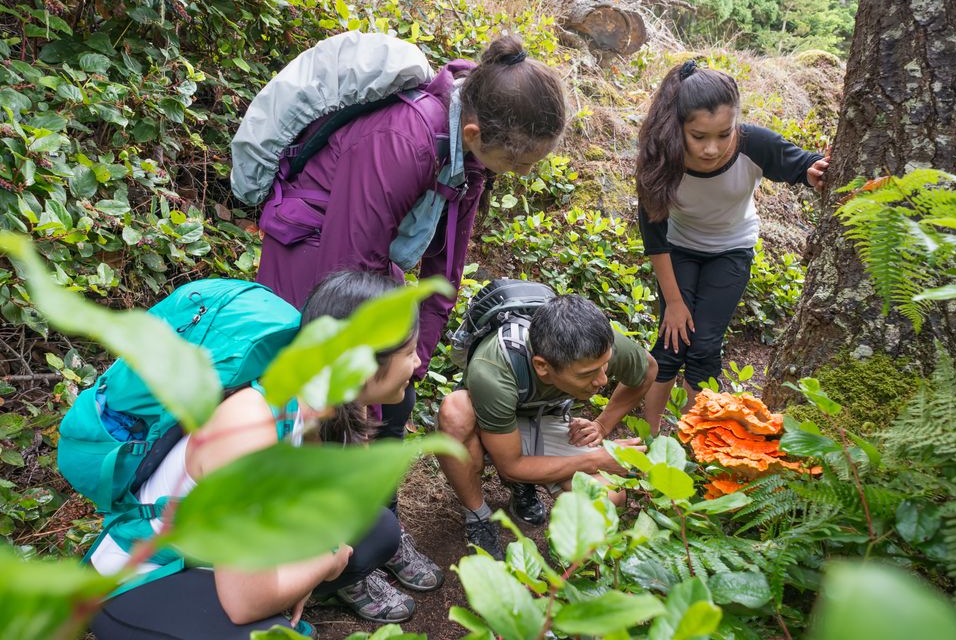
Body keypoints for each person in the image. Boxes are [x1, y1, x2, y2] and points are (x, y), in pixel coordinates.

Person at [253, 34, 568, 565]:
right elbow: (346, 272)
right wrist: (370, 379)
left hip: (371, 264)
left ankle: (378, 529)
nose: (524, 172)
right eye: (522, 162)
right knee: (330, 411)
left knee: (395, 402)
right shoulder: (404, 139)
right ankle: (334, 560)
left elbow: (446, 267)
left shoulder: (468, 151)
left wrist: (413, 359)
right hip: (312, 257)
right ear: (476, 134)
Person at [90, 272, 427, 639]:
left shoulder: (319, 404)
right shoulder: (251, 426)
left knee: (374, 529)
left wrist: (305, 572)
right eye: (409, 352)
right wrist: (325, 564)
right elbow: (245, 604)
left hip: (213, 559)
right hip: (145, 577)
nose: (417, 363)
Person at [634, 60, 830, 432]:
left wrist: (814, 170)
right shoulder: (660, 158)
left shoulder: (753, 143)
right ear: (678, 126)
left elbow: (801, 164)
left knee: (704, 348)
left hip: (731, 249)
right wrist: (674, 303)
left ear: (736, 123)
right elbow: (654, 238)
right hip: (678, 249)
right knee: (671, 344)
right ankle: (649, 436)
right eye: (699, 136)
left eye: (723, 134)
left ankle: (696, 441)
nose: (712, 148)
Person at [435, 294, 658, 559]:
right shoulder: (493, 369)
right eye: (588, 374)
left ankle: (527, 489)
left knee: (609, 496)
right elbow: (511, 465)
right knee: (455, 411)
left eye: (605, 366)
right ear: (542, 366)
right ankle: (478, 517)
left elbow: (647, 370)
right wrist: (598, 459)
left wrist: (602, 424)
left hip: (545, 416)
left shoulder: (597, 345)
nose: (601, 380)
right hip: (490, 423)